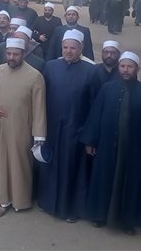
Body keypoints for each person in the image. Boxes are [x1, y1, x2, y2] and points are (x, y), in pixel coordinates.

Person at [81, 52, 141, 235]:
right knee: (104, 180)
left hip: (134, 149)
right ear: (118, 67)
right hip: (107, 146)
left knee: (130, 185)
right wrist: (90, 140)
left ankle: (127, 221)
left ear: (137, 69)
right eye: (122, 66)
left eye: (130, 66)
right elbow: (96, 116)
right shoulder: (107, 89)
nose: (126, 70)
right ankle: (99, 216)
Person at [0, 38, 47, 217]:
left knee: (16, 165)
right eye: (9, 54)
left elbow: (39, 108)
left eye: (16, 54)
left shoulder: (35, 76)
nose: (11, 57)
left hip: (20, 130)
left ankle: (18, 200)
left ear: (23, 54)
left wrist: (39, 136)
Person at [37, 29, 100, 222]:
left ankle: (71, 209)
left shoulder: (91, 71)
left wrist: (89, 136)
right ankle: (47, 203)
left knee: (72, 169)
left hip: (76, 130)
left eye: (73, 48)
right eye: (65, 47)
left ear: (81, 48)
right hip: (52, 128)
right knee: (50, 166)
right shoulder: (50, 66)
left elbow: (95, 107)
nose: (68, 51)